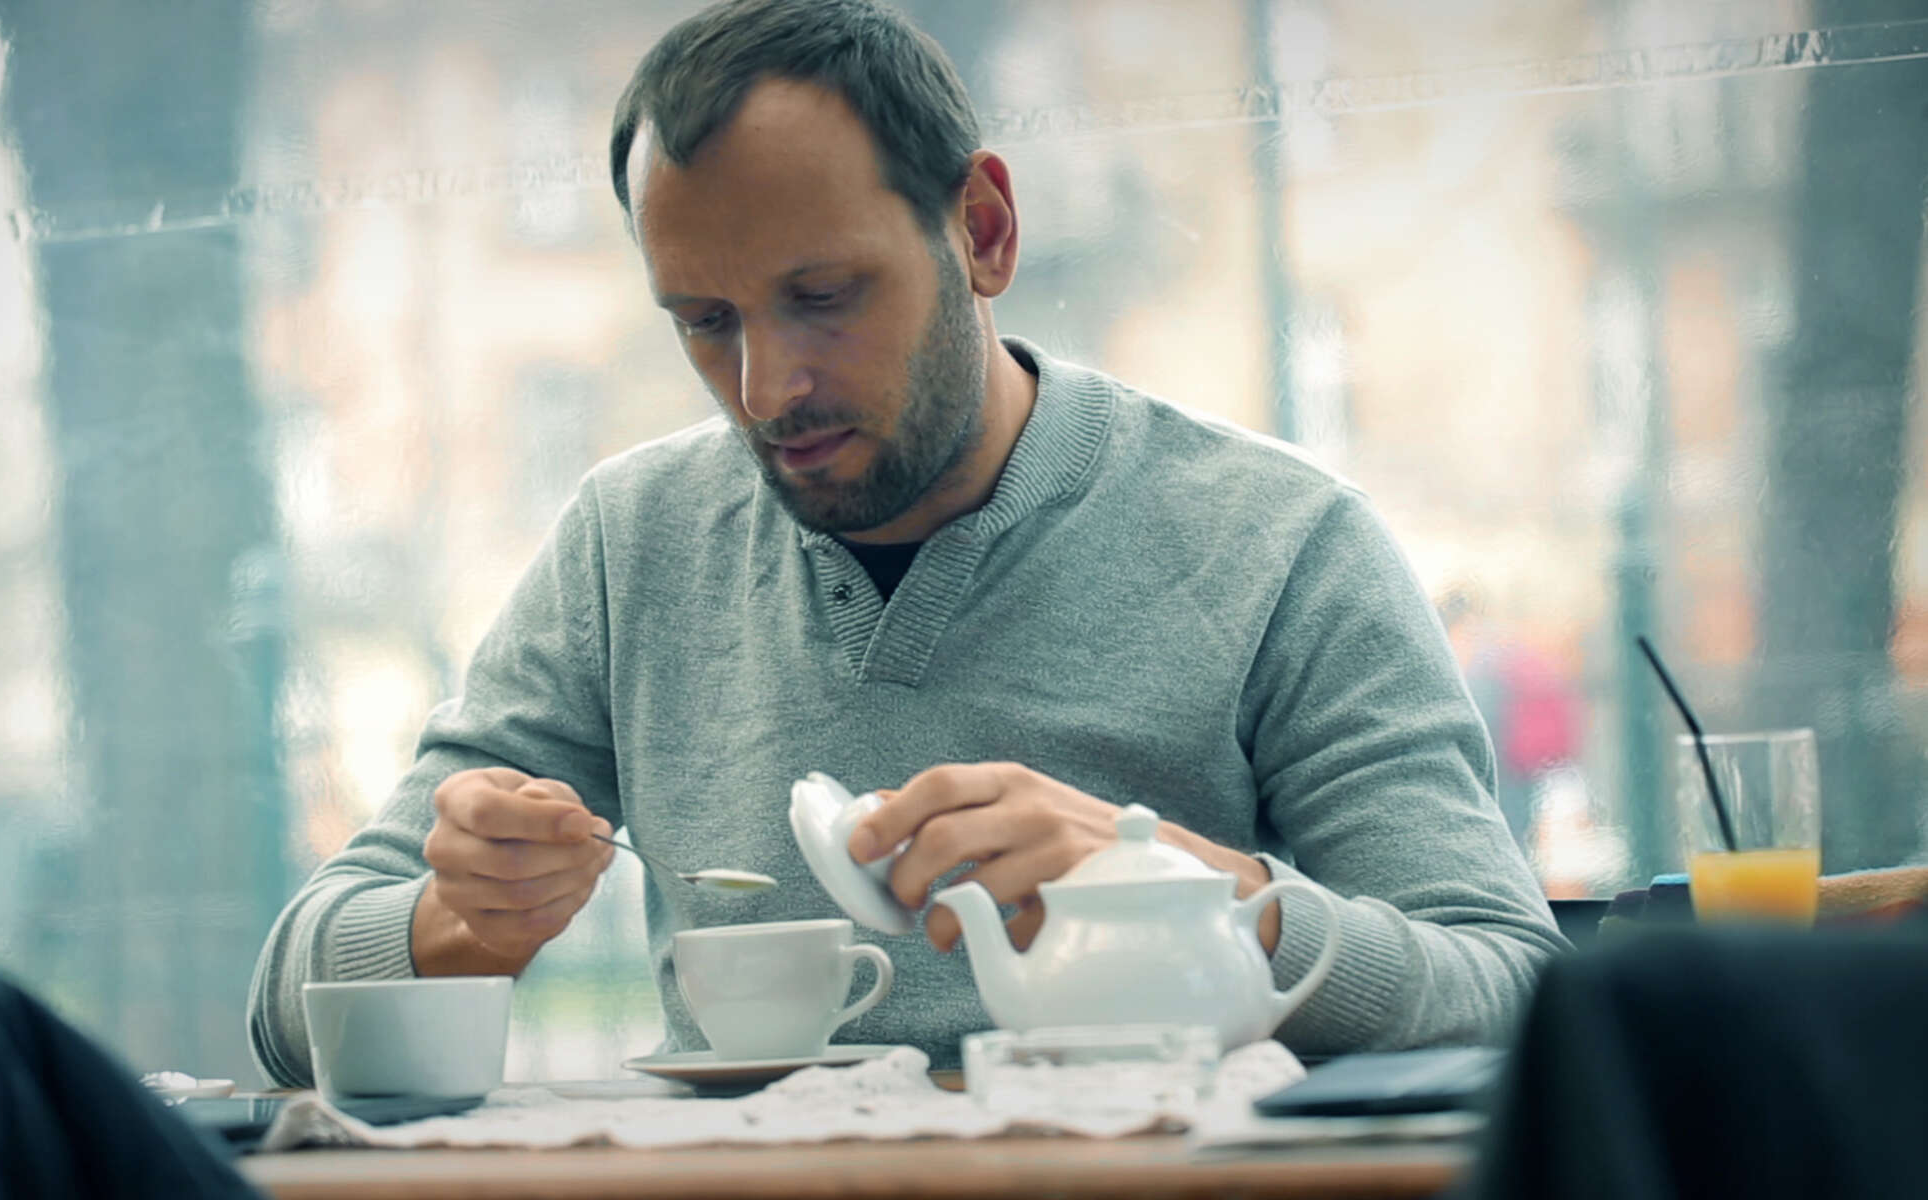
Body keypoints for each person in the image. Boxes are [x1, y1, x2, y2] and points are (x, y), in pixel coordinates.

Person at [247, 0, 1567, 1084]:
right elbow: (286, 1004)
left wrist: (1193, 894)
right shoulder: (628, 545)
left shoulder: (1279, 542)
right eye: (704, 321)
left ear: (982, 231)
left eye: (823, 297)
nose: (765, 389)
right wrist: (454, 925)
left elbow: (1512, 994)